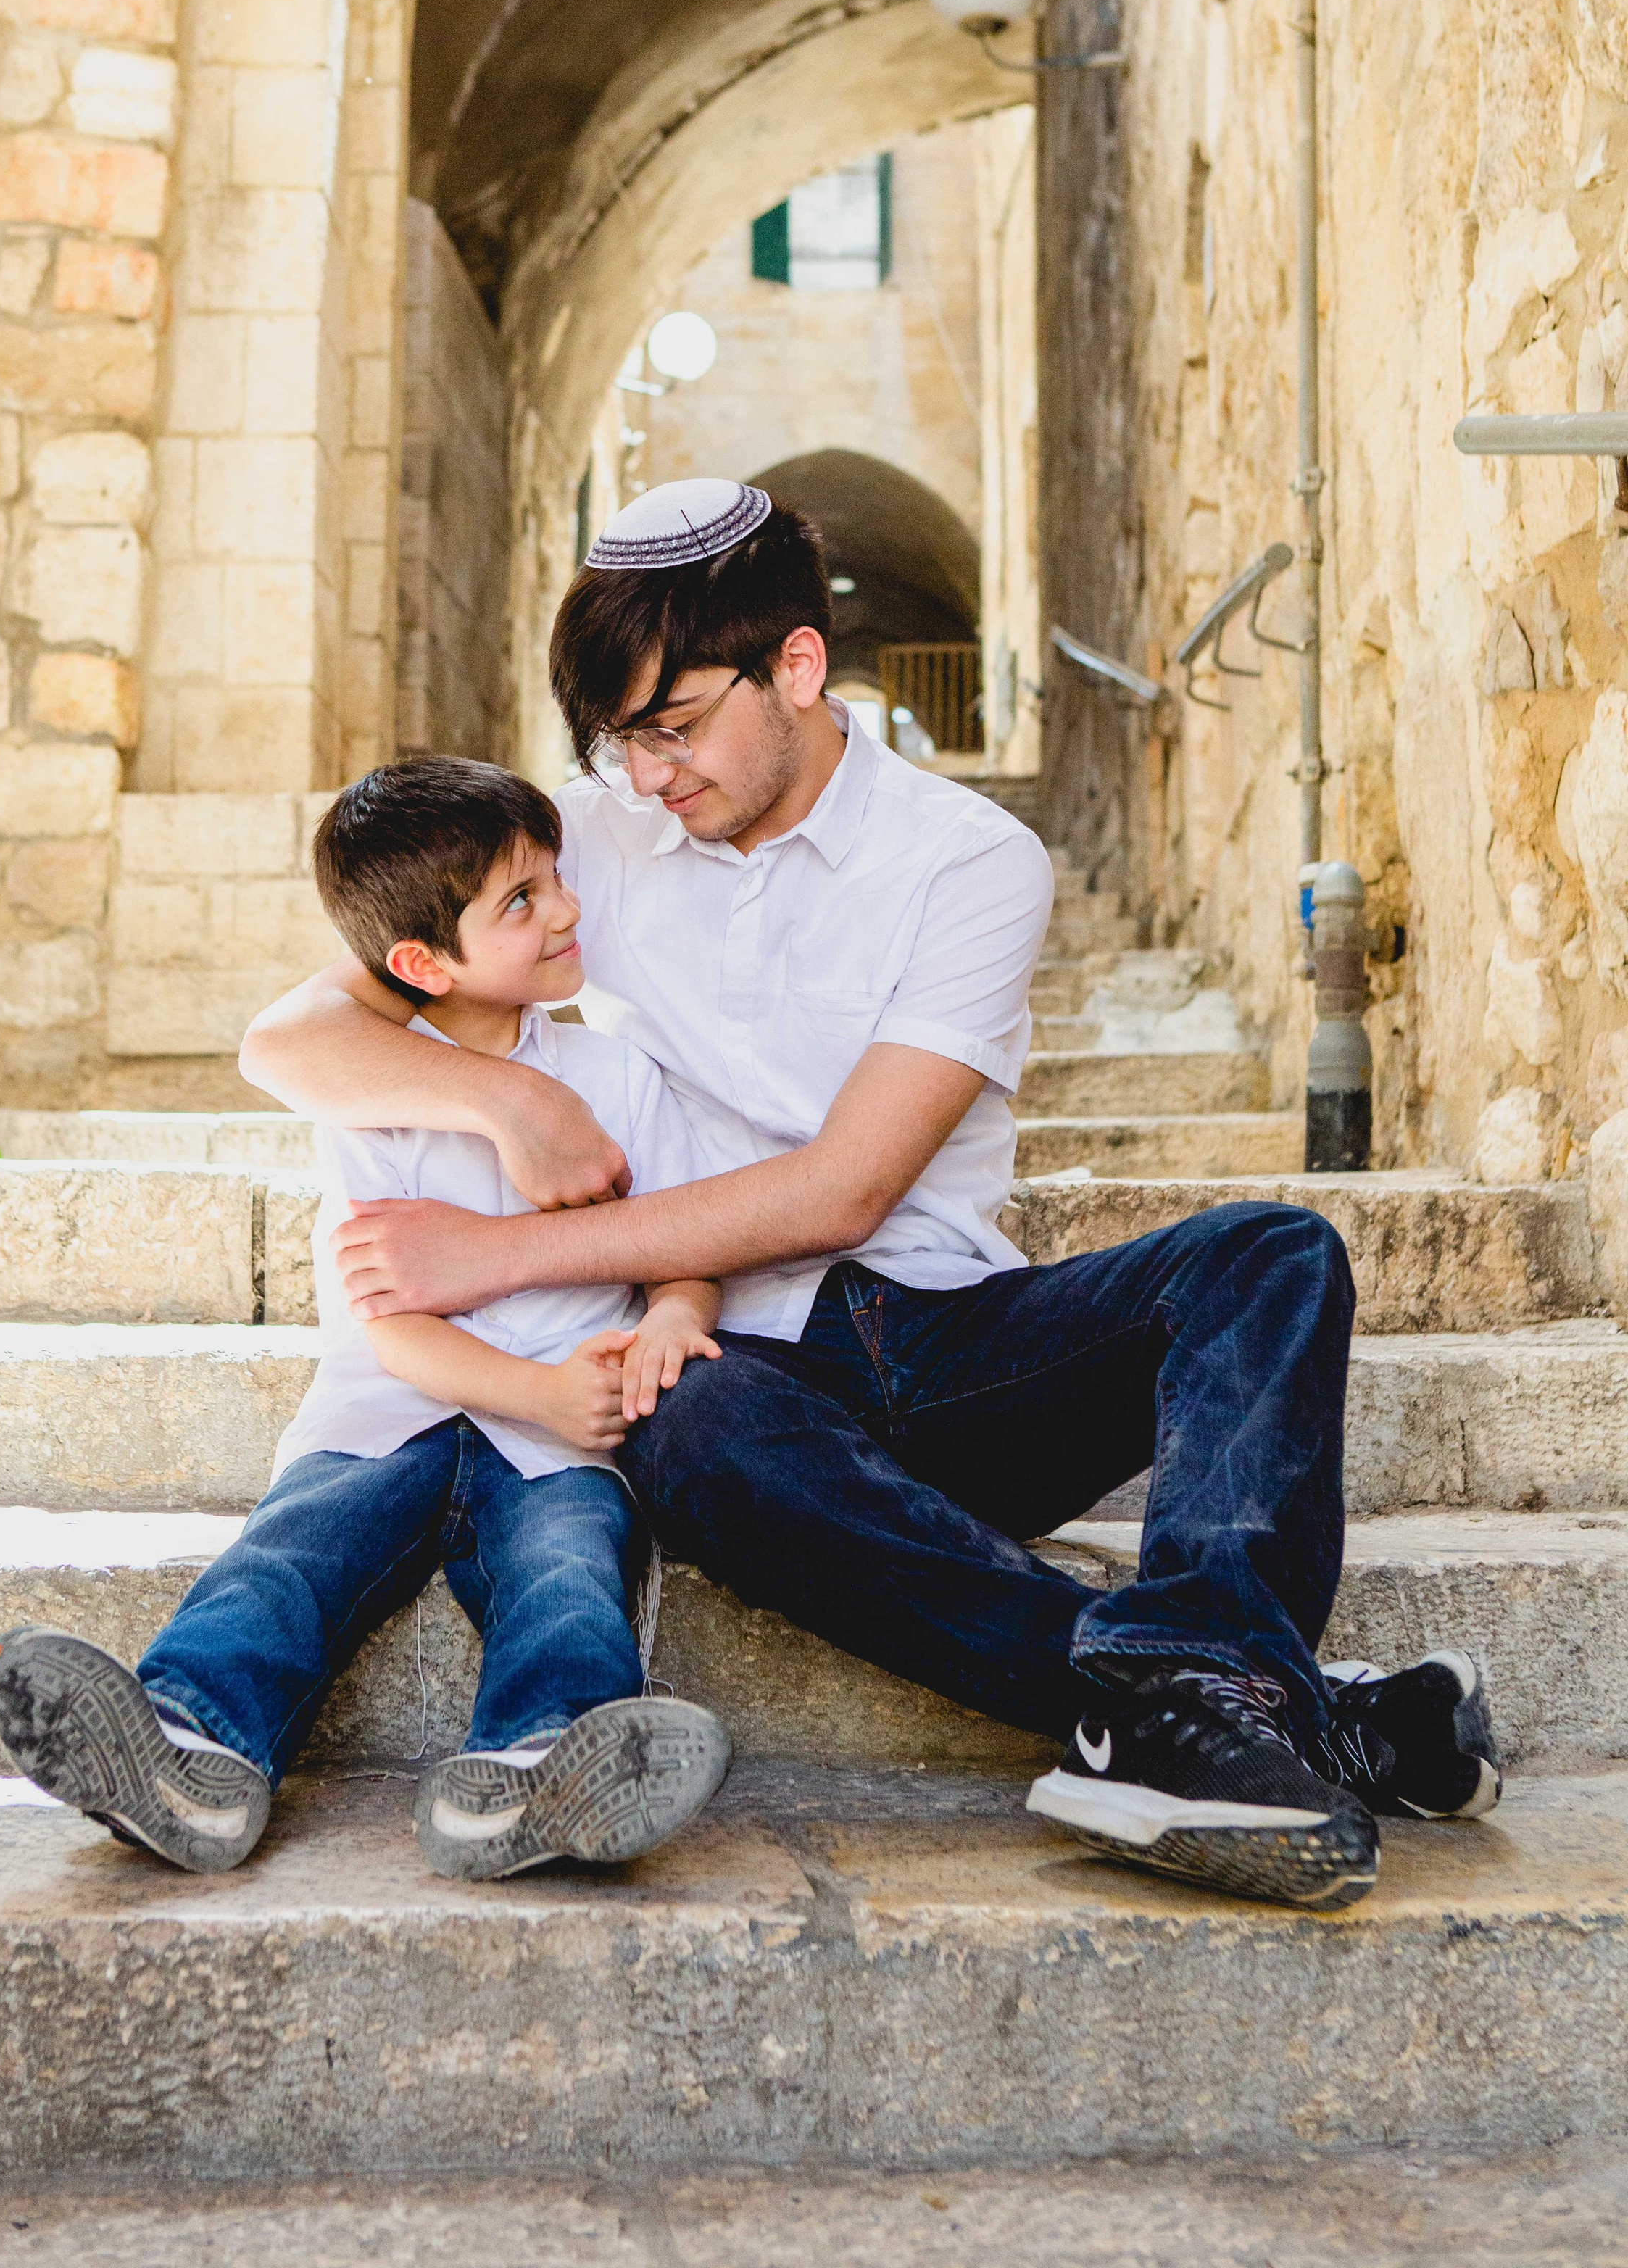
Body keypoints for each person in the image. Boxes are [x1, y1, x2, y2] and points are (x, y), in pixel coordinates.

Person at [240, 480, 1501, 1912]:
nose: (645, 776)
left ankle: (1196, 1696)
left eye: (671, 728)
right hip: (731, 1359)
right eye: (617, 741)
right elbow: (283, 1040)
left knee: (1267, 1257)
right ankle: (1230, 1710)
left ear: (792, 666)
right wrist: (506, 1096)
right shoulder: (580, 841)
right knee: (681, 1418)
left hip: (950, 1338)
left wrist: (504, 1252)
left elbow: (843, 1193)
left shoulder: (969, 862)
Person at [0, 756, 732, 1881]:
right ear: (423, 961)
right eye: (521, 901)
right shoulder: (378, 1092)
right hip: (398, 1411)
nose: (568, 910)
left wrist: (675, 1316)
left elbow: (688, 1239)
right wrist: (536, 1393)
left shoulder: (616, 1076)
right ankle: (190, 1744)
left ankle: (542, 1764)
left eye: (556, 880)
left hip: (560, 1439)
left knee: (570, 1571)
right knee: (288, 1559)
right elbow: (389, 1328)